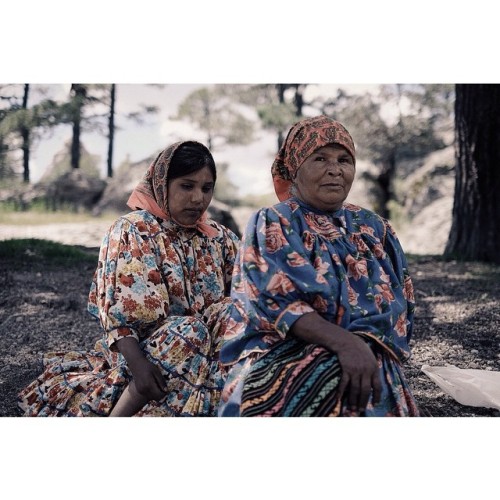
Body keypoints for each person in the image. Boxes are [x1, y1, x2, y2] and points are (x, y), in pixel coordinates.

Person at [18, 140, 240, 417]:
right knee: (188, 331)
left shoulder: (219, 238)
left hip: (209, 358)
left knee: (233, 312)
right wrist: (139, 369)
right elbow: (119, 317)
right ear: (162, 184)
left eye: (206, 189)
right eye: (187, 186)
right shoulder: (133, 231)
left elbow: (245, 299)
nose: (198, 198)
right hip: (145, 357)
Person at [218, 115, 420, 417]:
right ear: (295, 169)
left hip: (369, 353)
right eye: (320, 158)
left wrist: (366, 346)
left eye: (344, 160)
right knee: (325, 381)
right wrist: (344, 344)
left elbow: (401, 303)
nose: (335, 170)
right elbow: (272, 300)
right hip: (283, 350)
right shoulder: (275, 221)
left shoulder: (374, 227)